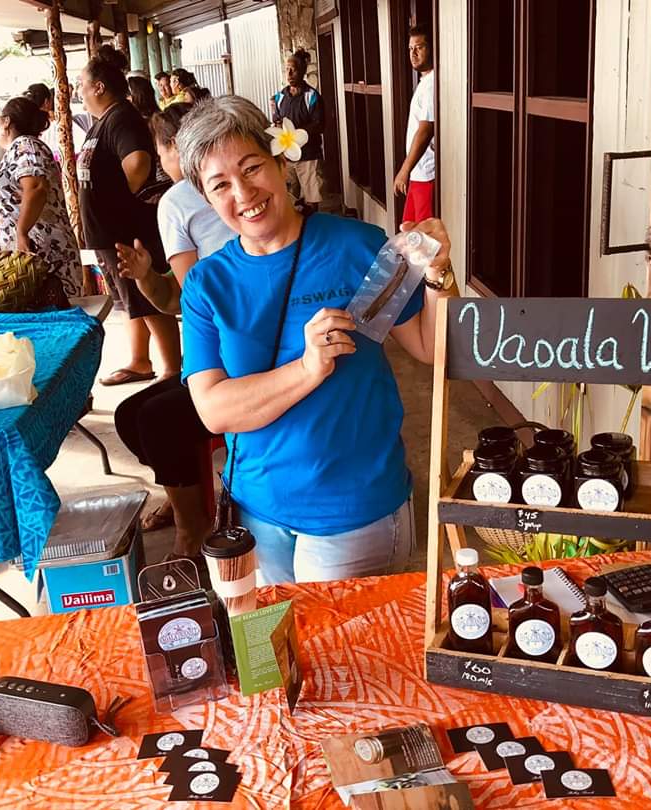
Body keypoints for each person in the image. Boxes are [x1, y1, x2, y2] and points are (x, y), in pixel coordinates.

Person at [175, 95, 457, 585]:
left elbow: (430, 347)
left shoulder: (358, 246)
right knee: (273, 658)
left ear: (282, 161)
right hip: (255, 513)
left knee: (349, 660)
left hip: (354, 510)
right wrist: (307, 367)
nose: (243, 193)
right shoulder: (207, 285)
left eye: (252, 168)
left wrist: (439, 275)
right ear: (206, 197)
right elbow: (215, 411)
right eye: (221, 185)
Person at [113, 102, 236, 545]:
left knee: (157, 421)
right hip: (222, 352)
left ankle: (193, 527)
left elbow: (189, 299)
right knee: (133, 415)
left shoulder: (179, 199)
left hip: (239, 361)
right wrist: (147, 274)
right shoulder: (185, 201)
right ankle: (186, 494)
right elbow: (183, 298)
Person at [76, 51, 180, 385]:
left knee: (146, 299)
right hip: (111, 230)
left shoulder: (121, 117)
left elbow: (137, 161)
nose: (80, 91)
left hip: (124, 228)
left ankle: (172, 370)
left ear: (100, 86)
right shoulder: (107, 119)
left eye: (82, 85)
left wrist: (119, 201)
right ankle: (139, 361)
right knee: (131, 300)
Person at [0, 96, 84, 297]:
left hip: (40, 251)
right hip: (33, 252)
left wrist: (21, 233)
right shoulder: (19, 148)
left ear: (7, 121)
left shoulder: (25, 145)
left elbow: (35, 187)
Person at [271, 48, 324, 214]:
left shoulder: (312, 96)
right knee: (289, 196)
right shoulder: (280, 97)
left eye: (293, 69)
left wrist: (296, 134)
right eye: (287, 69)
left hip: (308, 155)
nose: (290, 73)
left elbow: (320, 124)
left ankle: (315, 227)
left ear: (302, 71)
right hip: (287, 156)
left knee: (311, 196)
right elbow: (277, 121)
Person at [394, 24, 435, 223]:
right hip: (417, 174)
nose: (413, 53)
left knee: (424, 240)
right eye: (411, 48)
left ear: (431, 49)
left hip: (426, 173)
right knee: (409, 232)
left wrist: (404, 170)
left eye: (419, 47)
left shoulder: (432, 84)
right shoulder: (424, 81)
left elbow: (426, 129)